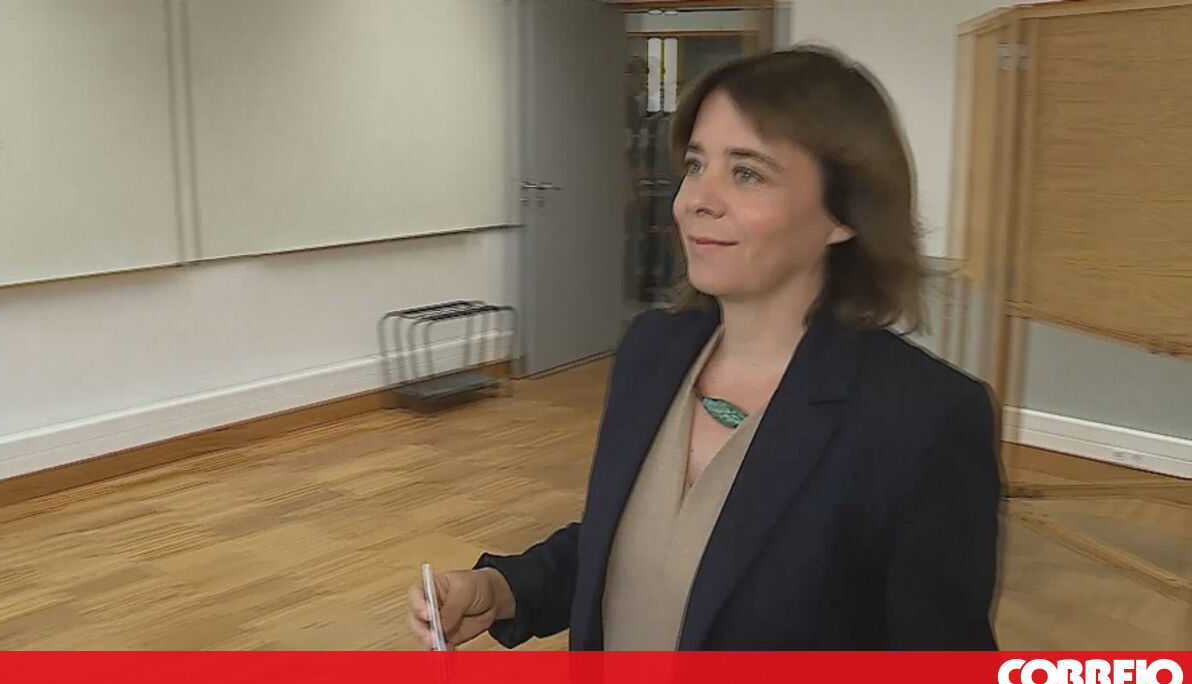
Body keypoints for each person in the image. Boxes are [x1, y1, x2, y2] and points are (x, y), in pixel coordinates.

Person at [408, 47, 1002, 651]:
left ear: (843, 214)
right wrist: (505, 588)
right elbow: (633, 545)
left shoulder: (922, 421)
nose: (695, 199)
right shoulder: (652, 350)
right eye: (696, 165)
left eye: (747, 173)